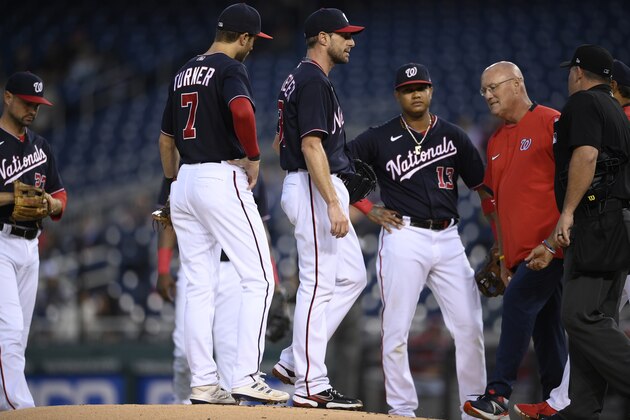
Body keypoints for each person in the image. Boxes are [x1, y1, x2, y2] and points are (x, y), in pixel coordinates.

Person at [157, 3, 288, 405]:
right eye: (253, 41)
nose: (253, 48)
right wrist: (253, 155)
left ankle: (204, 384)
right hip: (219, 176)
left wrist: (173, 185)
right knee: (261, 277)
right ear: (243, 37)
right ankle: (246, 375)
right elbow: (242, 110)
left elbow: (165, 140)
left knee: (198, 285)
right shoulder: (230, 68)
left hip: (184, 180)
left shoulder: (183, 72)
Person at [346, 62, 486, 418]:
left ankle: (474, 408)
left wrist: (500, 241)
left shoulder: (453, 135)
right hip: (403, 234)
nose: (417, 93)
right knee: (396, 329)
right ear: (398, 95)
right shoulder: (378, 137)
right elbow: (338, 165)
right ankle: (402, 409)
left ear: (431, 91)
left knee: (470, 327)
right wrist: (365, 206)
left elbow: (483, 187)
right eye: (409, 89)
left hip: (449, 237)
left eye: (422, 87)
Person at [514, 57, 630, 420]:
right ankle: (579, 409)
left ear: (578, 72)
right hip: (617, 221)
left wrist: (566, 214)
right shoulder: (616, 111)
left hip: (599, 221)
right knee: (597, 318)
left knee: (579, 315)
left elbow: (587, 155)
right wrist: (551, 244)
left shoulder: (584, 102)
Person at [270, 7, 367, 410]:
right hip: (313, 186)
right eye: (344, 35)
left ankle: (295, 360)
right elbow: (310, 145)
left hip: (313, 183)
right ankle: (311, 383)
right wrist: (332, 201)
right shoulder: (311, 79)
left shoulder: (302, 78)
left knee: (352, 277)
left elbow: (282, 142)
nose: (352, 41)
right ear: (323, 38)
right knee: (318, 283)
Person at [463, 61, 568, 420]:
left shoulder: (553, 122)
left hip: (551, 247)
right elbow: (496, 202)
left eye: (494, 87)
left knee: (520, 302)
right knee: (547, 327)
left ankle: (498, 393)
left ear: (517, 83)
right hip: (520, 253)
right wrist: (502, 253)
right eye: (483, 90)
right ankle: (558, 401)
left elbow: (577, 179)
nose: (487, 95)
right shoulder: (494, 140)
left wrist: (558, 237)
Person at [154, 173, 290, 404]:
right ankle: (182, 406)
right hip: (196, 268)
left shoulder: (250, 176)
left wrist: (274, 284)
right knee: (183, 354)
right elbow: (168, 221)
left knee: (229, 350)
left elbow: (261, 234)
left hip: (236, 271)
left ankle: (227, 412)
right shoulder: (183, 171)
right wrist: (163, 267)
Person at [0, 71, 67, 411]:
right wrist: (11, 196)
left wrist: (54, 205)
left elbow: (59, 195)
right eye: (27, 102)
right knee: (9, 331)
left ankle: (4, 401)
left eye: (37, 105)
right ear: (7, 97)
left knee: (19, 336)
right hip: (0, 243)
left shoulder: (41, 147)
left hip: (31, 246)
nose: (33, 110)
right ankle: (20, 409)